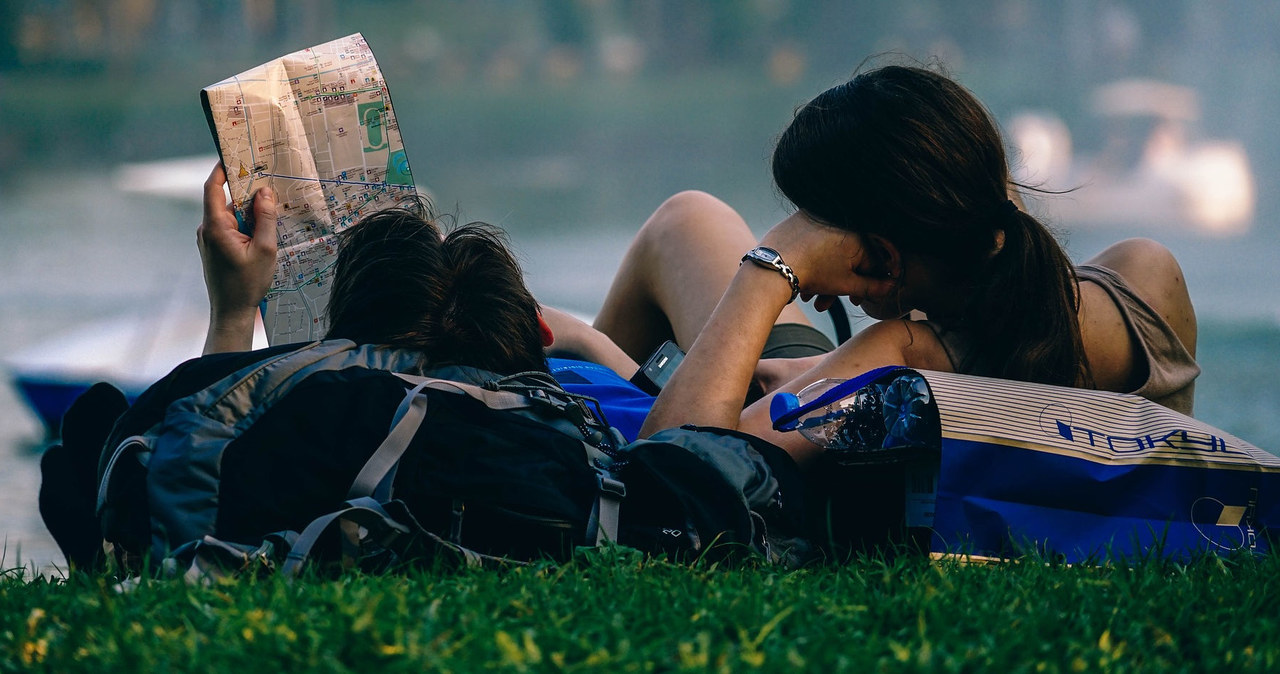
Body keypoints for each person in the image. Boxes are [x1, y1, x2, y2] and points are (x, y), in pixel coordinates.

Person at [593, 64, 1198, 468]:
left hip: (790, 420)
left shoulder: (897, 353)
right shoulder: (1146, 277)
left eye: (817, 223)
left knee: (685, 220)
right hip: (848, 371)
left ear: (881, 255)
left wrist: (774, 265)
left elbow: (676, 471)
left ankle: (566, 412)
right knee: (690, 220)